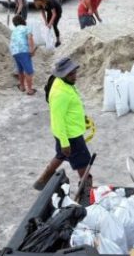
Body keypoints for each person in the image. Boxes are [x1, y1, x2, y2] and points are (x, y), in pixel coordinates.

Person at [33, 57, 92, 190]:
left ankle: (42, 180)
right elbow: (57, 120)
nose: (74, 76)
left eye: (74, 72)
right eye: (70, 74)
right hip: (71, 136)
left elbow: (69, 109)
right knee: (84, 164)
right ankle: (87, 193)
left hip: (66, 132)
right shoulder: (60, 94)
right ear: (62, 75)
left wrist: (81, 118)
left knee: (61, 155)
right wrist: (65, 143)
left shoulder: (63, 83)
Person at [10, 15, 36, 95]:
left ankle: (22, 87)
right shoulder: (26, 28)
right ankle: (30, 90)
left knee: (20, 70)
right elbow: (29, 38)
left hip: (14, 51)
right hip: (23, 50)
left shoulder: (14, 30)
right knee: (28, 71)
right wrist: (31, 50)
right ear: (23, 20)